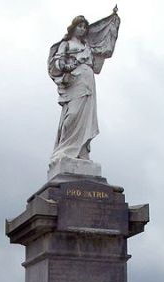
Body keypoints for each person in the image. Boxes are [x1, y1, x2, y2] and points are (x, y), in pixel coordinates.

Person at [48, 8, 120, 167]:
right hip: (74, 81)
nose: (83, 29)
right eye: (80, 26)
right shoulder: (66, 44)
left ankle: (81, 152)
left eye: (84, 27)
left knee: (86, 117)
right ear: (73, 27)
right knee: (72, 115)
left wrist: (111, 28)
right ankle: (64, 150)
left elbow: (100, 57)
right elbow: (57, 63)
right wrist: (69, 66)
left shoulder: (87, 46)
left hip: (88, 83)